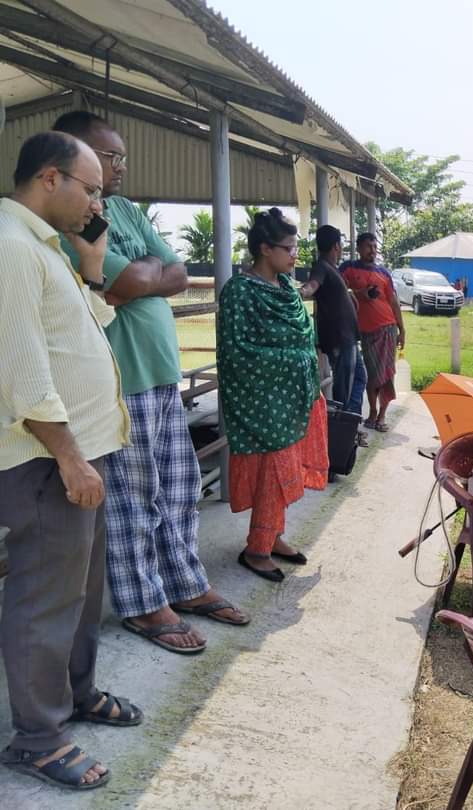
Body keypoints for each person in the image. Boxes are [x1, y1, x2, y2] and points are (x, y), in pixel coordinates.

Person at [53, 112, 247, 655]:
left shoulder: (126, 210)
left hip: (160, 374)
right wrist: (142, 276)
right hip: (121, 379)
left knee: (179, 489)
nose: (120, 167)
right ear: (75, 155)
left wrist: (142, 279)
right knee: (134, 500)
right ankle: (141, 603)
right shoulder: (72, 219)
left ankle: (184, 583)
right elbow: (135, 276)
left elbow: (174, 272)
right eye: (110, 157)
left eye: (120, 157)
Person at [0, 131, 143, 791]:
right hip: (47, 460)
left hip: (79, 454)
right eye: (90, 188)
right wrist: (69, 457)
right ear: (50, 178)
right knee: (44, 599)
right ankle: (39, 738)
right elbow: (21, 373)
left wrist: (91, 266)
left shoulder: (45, 247)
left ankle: (76, 694)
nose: (96, 204)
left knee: (81, 594)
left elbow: (93, 325)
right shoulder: (10, 246)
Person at [218, 208, 329, 583]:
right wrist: (295, 360)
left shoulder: (286, 289)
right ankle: (257, 549)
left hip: (294, 396)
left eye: (296, 247)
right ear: (265, 249)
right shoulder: (239, 291)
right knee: (273, 471)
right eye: (289, 248)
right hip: (262, 400)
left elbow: (302, 335)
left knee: (287, 466)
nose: (295, 255)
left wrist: (303, 364)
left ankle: (273, 535)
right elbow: (236, 352)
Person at [341, 233, 406, 432]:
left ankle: (382, 416)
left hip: (388, 328)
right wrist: (359, 294)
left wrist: (402, 329)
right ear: (359, 248)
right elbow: (338, 291)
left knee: (386, 375)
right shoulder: (348, 268)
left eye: (375, 246)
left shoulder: (384, 273)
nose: (373, 250)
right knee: (372, 375)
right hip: (366, 333)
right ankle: (372, 412)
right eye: (368, 246)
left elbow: (393, 302)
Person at [300, 225, 361, 408]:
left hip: (349, 337)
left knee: (359, 378)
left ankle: (352, 419)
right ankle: (341, 423)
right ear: (336, 246)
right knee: (343, 388)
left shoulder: (332, 268)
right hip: (339, 337)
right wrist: (301, 292)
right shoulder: (321, 267)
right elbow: (312, 285)